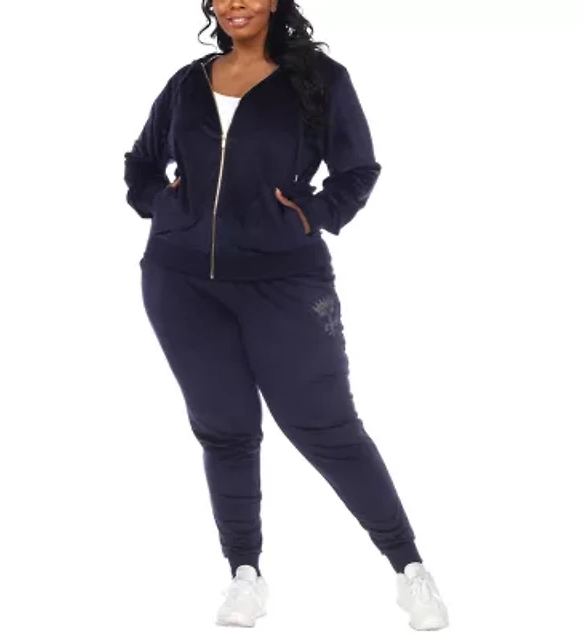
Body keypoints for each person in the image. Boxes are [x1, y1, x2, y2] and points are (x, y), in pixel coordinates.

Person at [123, 0, 449, 631]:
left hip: (285, 280)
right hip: (180, 282)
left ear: (273, 1)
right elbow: (140, 162)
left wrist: (312, 215)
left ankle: (409, 568)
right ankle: (244, 574)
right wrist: (159, 203)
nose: (235, 4)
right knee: (225, 430)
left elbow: (357, 169)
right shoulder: (188, 82)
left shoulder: (318, 80)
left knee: (325, 426)